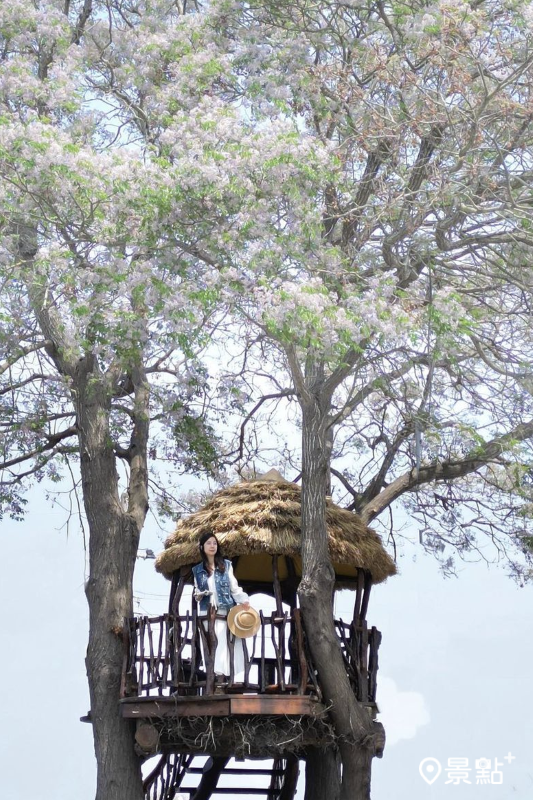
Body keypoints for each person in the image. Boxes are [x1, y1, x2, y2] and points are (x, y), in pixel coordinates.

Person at [192, 532, 250, 686]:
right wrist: (199, 595)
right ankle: (215, 676)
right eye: (209, 543)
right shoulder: (197, 570)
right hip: (206, 611)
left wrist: (243, 600)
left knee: (224, 643)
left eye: (214, 543)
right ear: (202, 547)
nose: (212, 546)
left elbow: (234, 588)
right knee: (210, 644)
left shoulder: (226, 565)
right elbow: (197, 591)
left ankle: (223, 678)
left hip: (224, 610)